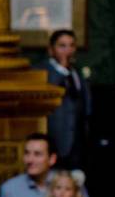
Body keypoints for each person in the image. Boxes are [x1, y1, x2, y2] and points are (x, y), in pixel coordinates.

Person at [38, 29, 91, 169]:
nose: (68, 50)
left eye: (72, 45)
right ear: (51, 50)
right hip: (55, 140)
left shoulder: (77, 73)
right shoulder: (42, 73)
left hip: (78, 145)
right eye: (62, 45)